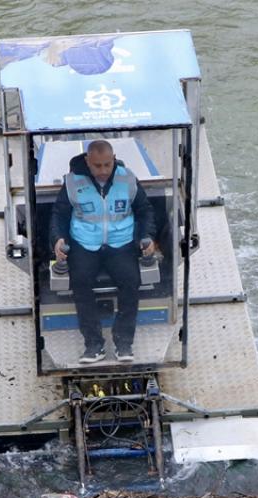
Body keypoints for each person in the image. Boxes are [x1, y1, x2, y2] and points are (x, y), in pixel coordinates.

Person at [50, 139, 156, 364]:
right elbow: (58, 215)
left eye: (107, 165)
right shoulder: (71, 183)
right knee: (79, 282)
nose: (103, 171)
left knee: (130, 281)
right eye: (97, 166)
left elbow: (145, 211)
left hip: (121, 244)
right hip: (85, 245)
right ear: (88, 162)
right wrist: (58, 240)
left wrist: (147, 237)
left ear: (113, 159)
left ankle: (124, 342)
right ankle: (94, 344)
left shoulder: (128, 179)